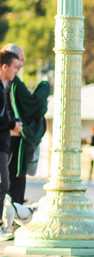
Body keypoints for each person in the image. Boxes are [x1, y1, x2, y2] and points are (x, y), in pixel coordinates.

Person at [1, 43, 49, 205]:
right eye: (19, 61)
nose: (21, 65)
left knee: (7, 180)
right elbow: (33, 106)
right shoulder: (12, 82)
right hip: (12, 138)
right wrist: (44, 87)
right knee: (11, 181)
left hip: (8, 136)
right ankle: (10, 216)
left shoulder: (9, 81)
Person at [0, 51, 23, 232]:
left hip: (4, 143)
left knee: (5, 184)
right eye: (15, 67)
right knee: (4, 184)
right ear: (5, 67)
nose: (17, 70)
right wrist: (12, 125)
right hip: (1, 143)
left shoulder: (4, 86)